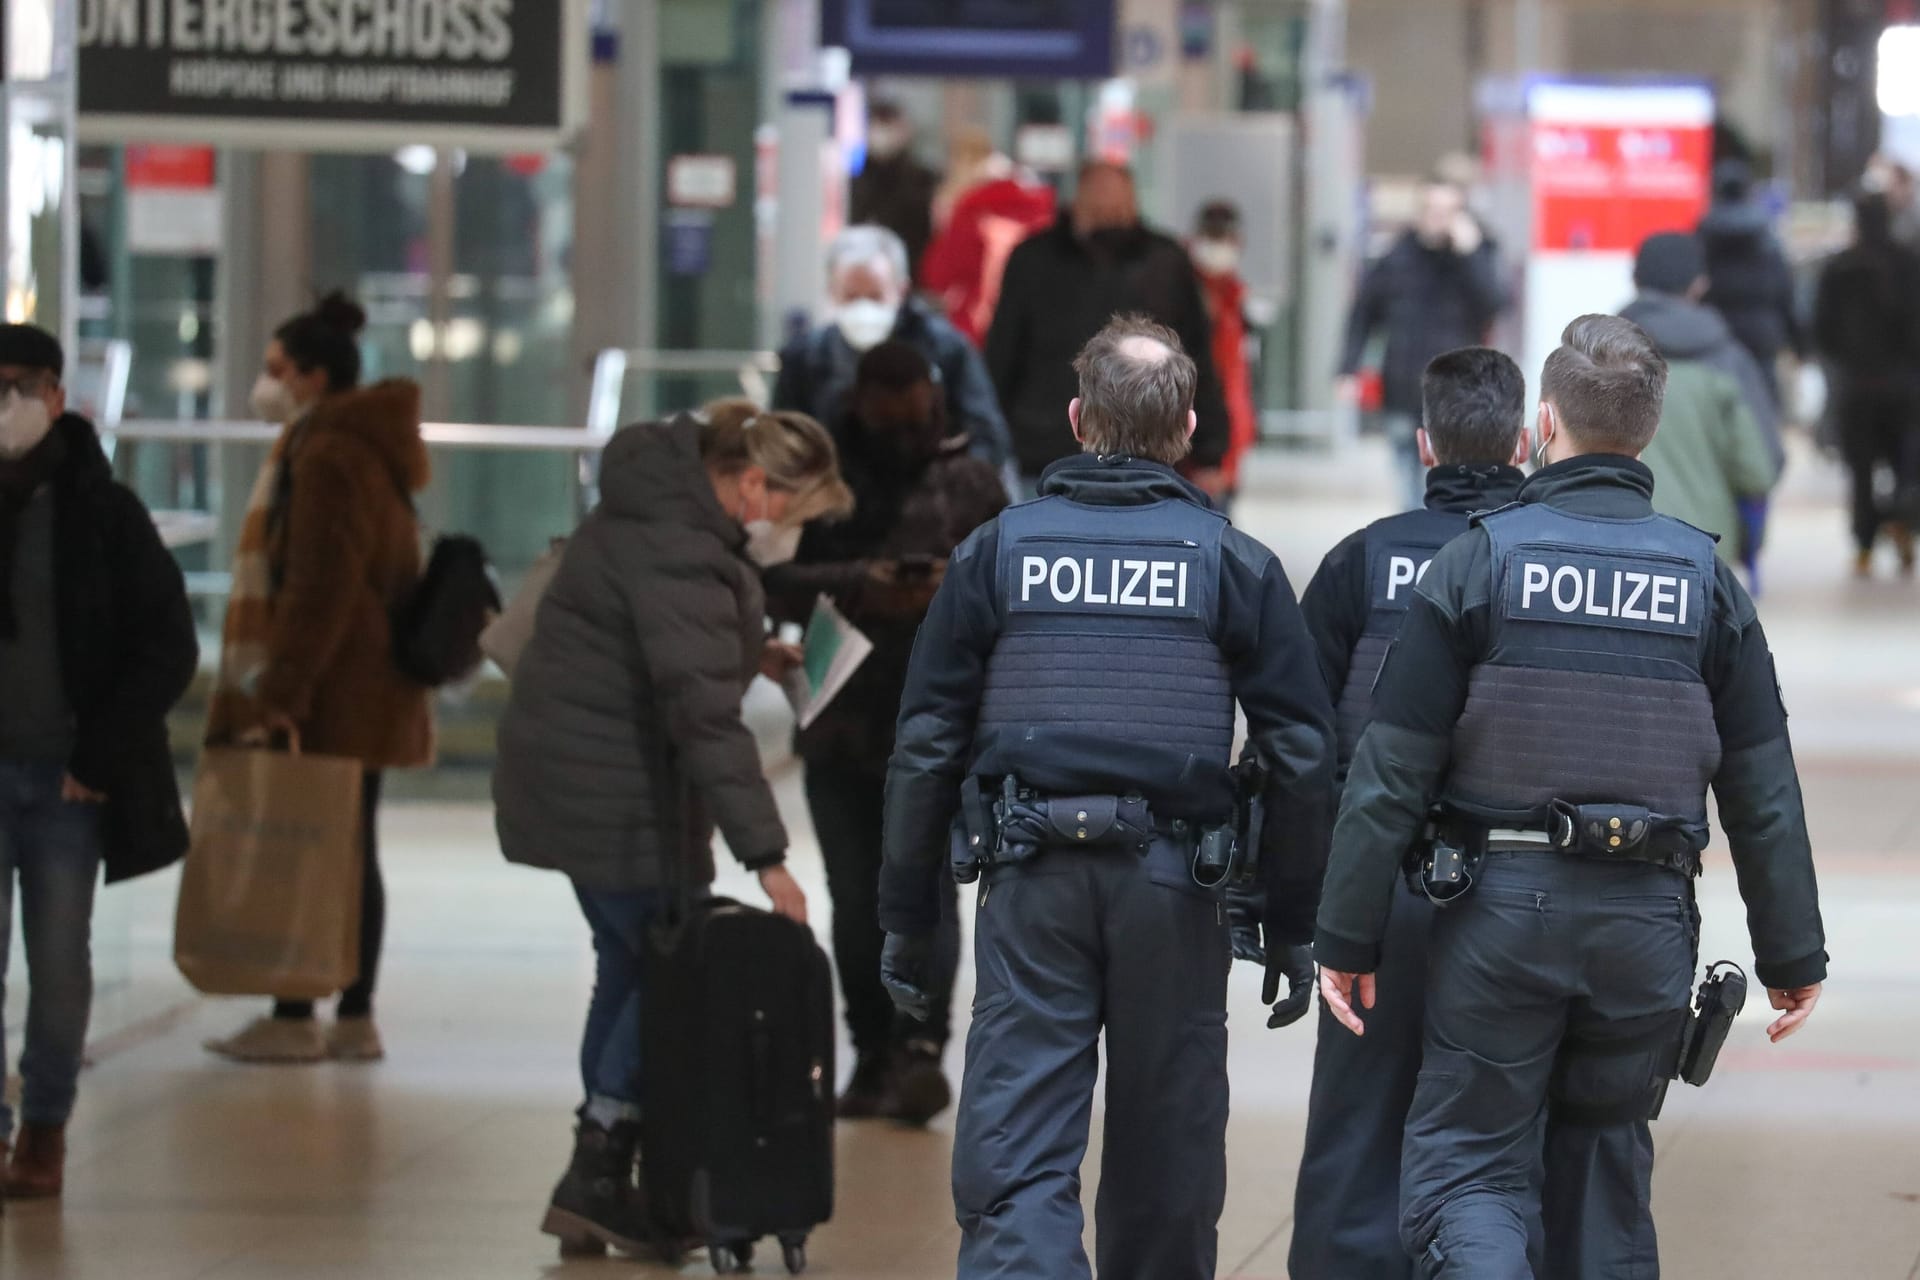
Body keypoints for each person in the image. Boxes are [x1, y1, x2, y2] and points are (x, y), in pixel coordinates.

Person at [1315, 315, 1827, 1279]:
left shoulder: (1475, 562)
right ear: (1648, 429)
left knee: (1471, 1164)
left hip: (1499, 917)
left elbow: (1391, 772)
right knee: (1604, 1169)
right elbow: (1763, 785)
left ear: (1543, 423)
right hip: (1645, 930)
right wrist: (1791, 951)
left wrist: (1346, 936)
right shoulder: (1705, 582)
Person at [878, 315, 1335, 1280]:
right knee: (1166, 1145)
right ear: (1188, 428)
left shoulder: (997, 554)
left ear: (1079, 418)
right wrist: (1293, 918)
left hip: (1029, 875)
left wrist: (906, 916)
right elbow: (1301, 753)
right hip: (1176, 887)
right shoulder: (1231, 563)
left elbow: (924, 744)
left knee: (1017, 1143)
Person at [494, 400, 852, 1258]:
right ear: (752, 483)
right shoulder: (685, 547)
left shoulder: (657, 510)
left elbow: (659, 646)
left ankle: (606, 1180)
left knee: (629, 966)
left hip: (587, 778)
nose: (784, 536)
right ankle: (599, 1165)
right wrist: (766, 857)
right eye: (788, 515)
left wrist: (748, 651)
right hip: (621, 794)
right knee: (662, 976)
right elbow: (701, 718)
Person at [1288, 346, 1528, 1279]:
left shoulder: (1360, 563)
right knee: (1500, 1148)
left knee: (1355, 1130)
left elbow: (1299, 751)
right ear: (1524, 443)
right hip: (1517, 893)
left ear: (1423, 445)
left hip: (1378, 895)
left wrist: (1289, 914)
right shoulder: (1536, 562)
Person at [763, 343, 1008, 1125]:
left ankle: (917, 1050)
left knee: (927, 892)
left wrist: (945, 587)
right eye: (887, 413)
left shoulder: (970, 479)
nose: (902, 431)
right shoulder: (822, 485)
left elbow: (1014, 583)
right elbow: (769, 580)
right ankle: (871, 1049)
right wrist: (861, 583)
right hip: (840, 717)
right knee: (856, 895)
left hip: (942, 727)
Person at [204, 293, 432, 1066]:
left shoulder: (330, 452)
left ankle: (300, 1008)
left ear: (311, 375)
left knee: (312, 841)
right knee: (347, 840)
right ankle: (349, 1013)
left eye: (275, 370)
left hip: (337, 684)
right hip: (367, 678)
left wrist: (286, 687)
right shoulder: (364, 442)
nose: (265, 384)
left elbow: (319, 583)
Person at [0, 324, 197, 1204]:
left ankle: (44, 1127)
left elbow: (166, 642)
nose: (7, 403)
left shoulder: (100, 511)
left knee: (58, 964)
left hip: (63, 781)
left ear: (56, 394)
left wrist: (102, 750)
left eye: (21, 385)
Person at [986, 162, 1231, 494]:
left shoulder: (1166, 262)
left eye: (1115, 207)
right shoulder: (1033, 259)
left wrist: (1211, 449)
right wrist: (989, 441)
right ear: (1076, 205)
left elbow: (1196, 356)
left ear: (1132, 205)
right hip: (1044, 447)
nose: (1107, 216)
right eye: (1097, 206)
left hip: (1148, 451)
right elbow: (1002, 353)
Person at [773, 224, 1013, 477]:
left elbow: (988, 438)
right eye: (851, 296)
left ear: (901, 290)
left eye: (875, 296)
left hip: (926, 501)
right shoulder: (803, 358)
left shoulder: (946, 349)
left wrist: (943, 484)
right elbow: (781, 441)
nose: (863, 308)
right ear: (832, 292)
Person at [1339, 177, 1507, 509]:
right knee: (1408, 489)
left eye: (1447, 211)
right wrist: (1348, 369)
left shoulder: (1476, 254)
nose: (1437, 218)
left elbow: (1494, 304)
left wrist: (1470, 254)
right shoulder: (1397, 257)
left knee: (1449, 485)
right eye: (1430, 209)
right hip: (1403, 388)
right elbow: (1363, 314)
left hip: (1457, 397)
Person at [1621, 232, 1782, 568]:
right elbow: (1760, 468)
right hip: (1707, 546)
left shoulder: (1600, 356)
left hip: (1617, 541)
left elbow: (1549, 449)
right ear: (1699, 283)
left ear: (1635, 279)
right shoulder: (1730, 361)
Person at [1814, 192, 1920, 577]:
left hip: (1856, 385)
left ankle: (1863, 543)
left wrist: (1843, 361)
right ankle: (1902, 520)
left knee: (1861, 469)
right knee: (1904, 462)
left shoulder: (1840, 268)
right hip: (1904, 385)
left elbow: (1822, 329)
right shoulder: (1909, 263)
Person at [922, 126, 1057, 348]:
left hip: (976, 324)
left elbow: (939, 275)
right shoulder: (1039, 208)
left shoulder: (968, 209)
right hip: (1036, 328)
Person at [1698, 159, 1805, 403]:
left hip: (1716, 336)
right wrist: (1800, 344)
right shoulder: (1767, 238)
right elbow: (1785, 294)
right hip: (1761, 339)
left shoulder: (1703, 235)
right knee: (1761, 413)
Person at [1189, 200, 1261, 510]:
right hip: (1199, 446)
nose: (1221, 247)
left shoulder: (1234, 296)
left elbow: (1235, 377)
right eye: (1213, 237)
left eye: (1227, 238)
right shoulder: (1186, 296)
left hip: (1228, 437)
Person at [851, 100, 937, 282]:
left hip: (911, 274)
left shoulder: (923, 179)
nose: (881, 132)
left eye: (888, 124)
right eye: (876, 123)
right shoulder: (855, 180)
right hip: (860, 274)